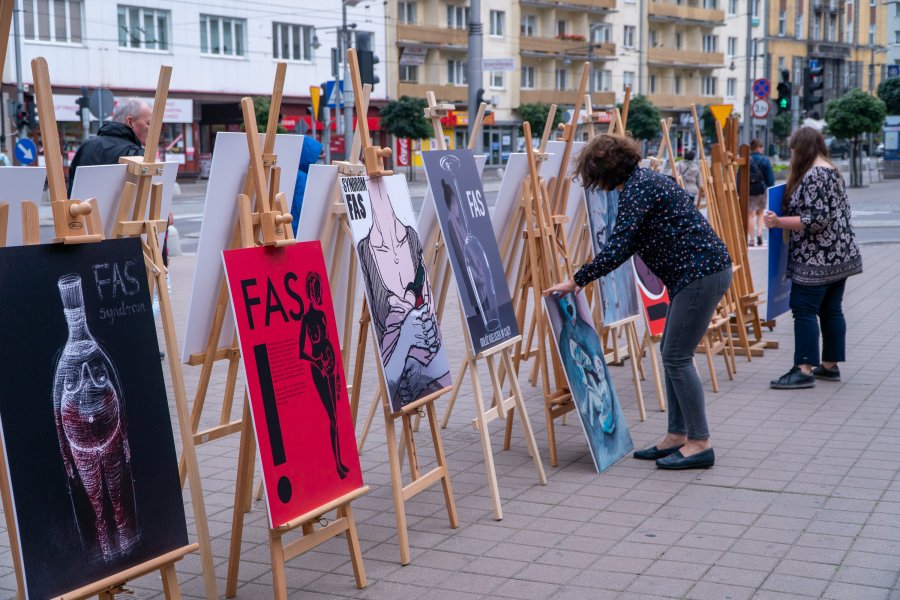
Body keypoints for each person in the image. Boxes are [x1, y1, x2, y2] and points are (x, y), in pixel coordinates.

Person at [545, 134, 732, 470]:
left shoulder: (638, 188)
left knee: (677, 356)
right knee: (671, 354)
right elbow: (632, 243)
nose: (598, 186)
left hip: (700, 275)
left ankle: (700, 442)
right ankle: (677, 434)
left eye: (595, 177)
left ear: (606, 170)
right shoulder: (646, 180)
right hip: (695, 274)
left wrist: (576, 281)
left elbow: (619, 247)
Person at [764, 127, 862, 389]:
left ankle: (804, 368)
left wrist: (778, 222)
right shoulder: (830, 168)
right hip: (840, 255)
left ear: (803, 148)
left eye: (794, 148)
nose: (792, 153)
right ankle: (829, 366)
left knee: (804, 309)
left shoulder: (815, 174)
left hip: (817, 258)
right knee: (831, 309)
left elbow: (816, 220)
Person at [67, 98, 152, 196]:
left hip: (83, 210)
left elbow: (73, 192)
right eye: (148, 123)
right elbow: (146, 202)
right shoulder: (138, 156)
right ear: (130, 122)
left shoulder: (87, 146)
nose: (152, 129)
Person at [746, 139, 774, 247]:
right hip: (761, 190)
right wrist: (768, 186)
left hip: (749, 190)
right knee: (760, 213)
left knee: (750, 215)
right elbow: (770, 179)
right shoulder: (765, 160)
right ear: (758, 148)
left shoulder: (747, 159)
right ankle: (759, 234)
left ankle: (751, 239)